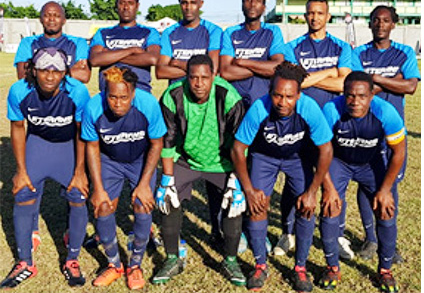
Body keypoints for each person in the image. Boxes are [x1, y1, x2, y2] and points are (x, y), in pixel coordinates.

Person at [230, 62, 334, 291]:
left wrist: (313, 191)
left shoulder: (309, 108)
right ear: (270, 92)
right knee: (258, 205)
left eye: (289, 96)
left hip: (298, 157)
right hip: (264, 157)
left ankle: (300, 267)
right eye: (277, 95)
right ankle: (260, 265)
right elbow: (238, 149)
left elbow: (326, 150)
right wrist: (248, 189)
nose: (282, 102)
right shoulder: (259, 108)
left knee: (305, 207)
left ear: (299, 94)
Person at [152, 54, 247, 286]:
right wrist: (167, 179)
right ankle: (173, 258)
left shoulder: (229, 97)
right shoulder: (172, 95)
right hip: (185, 159)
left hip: (222, 162)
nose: (199, 83)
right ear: (186, 77)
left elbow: (239, 145)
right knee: (168, 198)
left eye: (205, 77)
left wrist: (235, 180)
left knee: (234, 204)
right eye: (193, 77)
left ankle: (231, 260)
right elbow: (167, 142)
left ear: (214, 76)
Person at [1, 47, 90, 288]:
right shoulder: (20, 90)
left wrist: (81, 171)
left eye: (57, 71)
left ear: (65, 73)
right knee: (23, 193)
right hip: (38, 145)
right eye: (44, 70)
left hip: (68, 147)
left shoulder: (78, 92)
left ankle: (72, 259)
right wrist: (20, 170)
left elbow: (83, 132)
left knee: (78, 195)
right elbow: (18, 128)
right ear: (34, 70)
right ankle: (25, 262)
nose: (50, 77)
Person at [275, 0, 355, 258]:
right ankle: (288, 234)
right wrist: (331, 72)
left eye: (320, 13)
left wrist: (311, 78)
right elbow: (293, 82)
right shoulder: (292, 47)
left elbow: (345, 84)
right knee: (295, 180)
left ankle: (337, 235)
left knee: (335, 182)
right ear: (305, 15)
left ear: (327, 16)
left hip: (333, 124)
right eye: (310, 13)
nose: (315, 18)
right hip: (299, 124)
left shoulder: (342, 47)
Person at [320, 72, 406, 293]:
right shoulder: (331, 110)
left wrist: (386, 189)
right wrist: (328, 187)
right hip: (339, 162)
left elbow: (399, 152)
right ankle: (332, 267)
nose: (355, 102)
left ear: (371, 95)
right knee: (330, 208)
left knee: (386, 211)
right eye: (349, 96)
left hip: (372, 163)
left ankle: (385, 270)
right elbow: (319, 151)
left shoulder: (386, 112)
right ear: (343, 94)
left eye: (361, 96)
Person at [83, 67, 165, 289]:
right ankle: (114, 265)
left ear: (133, 93)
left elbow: (157, 144)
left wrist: (144, 184)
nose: (117, 103)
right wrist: (98, 187)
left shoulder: (148, 105)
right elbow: (91, 147)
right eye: (112, 97)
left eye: (123, 97)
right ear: (104, 93)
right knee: (102, 206)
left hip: (140, 160)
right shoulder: (93, 107)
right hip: (110, 161)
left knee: (142, 205)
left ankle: (135, 265)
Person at [349, 5, 420, 260]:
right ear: (369, 24)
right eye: (376, 20)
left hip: (393, 130)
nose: (380, 24)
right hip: (365, 129)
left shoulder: (405, 53)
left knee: (391, 184)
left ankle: (389, 240)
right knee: (366, 184)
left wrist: (375, 78)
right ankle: (370, 239)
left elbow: (411, 86)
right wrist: (392, 80)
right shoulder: (358, 53)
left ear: (394, 24)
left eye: (386, 20)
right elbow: (358, 91)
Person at [220, 0, 287, 108]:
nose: (253, 4)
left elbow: (277, 67)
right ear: (242, 5)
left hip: (264, 103)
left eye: (257, 0)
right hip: (235, 104)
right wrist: (263, 67)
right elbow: (226, 72)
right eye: (248, 0)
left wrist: (242, 62)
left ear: (264, 7)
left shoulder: (273, 31)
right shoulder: (230, 32)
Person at [89, 0, 160, 92]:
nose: (126, 7)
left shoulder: (149, 32)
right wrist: (131, 50)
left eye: (130, 3)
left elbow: (152, 58)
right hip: (108, 94)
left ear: (137, 5)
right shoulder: (103, 33)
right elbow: (95, 60)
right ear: (116, 5)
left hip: (139, 92)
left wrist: (110, 54)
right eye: (122, 3)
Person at [157, 0, 223, 84]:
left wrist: (178, 63)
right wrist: (199, 71)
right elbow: (161, 72)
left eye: (193, 3)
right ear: (179, 3)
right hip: (176, 93)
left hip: (202, 94)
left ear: (201, 3)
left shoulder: (213, 31)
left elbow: (212, 71)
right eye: (184, 3)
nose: (188, 7)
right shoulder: (169, 33)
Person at [15, 1, 90, 83]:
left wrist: (39, 71)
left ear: (64, 20)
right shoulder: (28, 42)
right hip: (37, 94)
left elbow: (84, 76)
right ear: (40, 19)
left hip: (69, 94)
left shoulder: (78, 43)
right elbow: (22, 76)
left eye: (57, 16)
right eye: (47, 15)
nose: (51, 19)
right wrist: (68, 71)